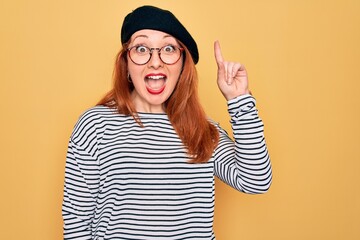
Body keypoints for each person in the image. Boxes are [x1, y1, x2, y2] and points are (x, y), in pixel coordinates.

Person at [62, 5, 272, 240]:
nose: (155, 62)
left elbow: (256, 180)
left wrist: (239, 100)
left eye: (169, 48)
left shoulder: (201, 129)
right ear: (126, 65)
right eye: (142, 48)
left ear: (182, 65)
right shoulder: (95, 125)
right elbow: (76, 222)